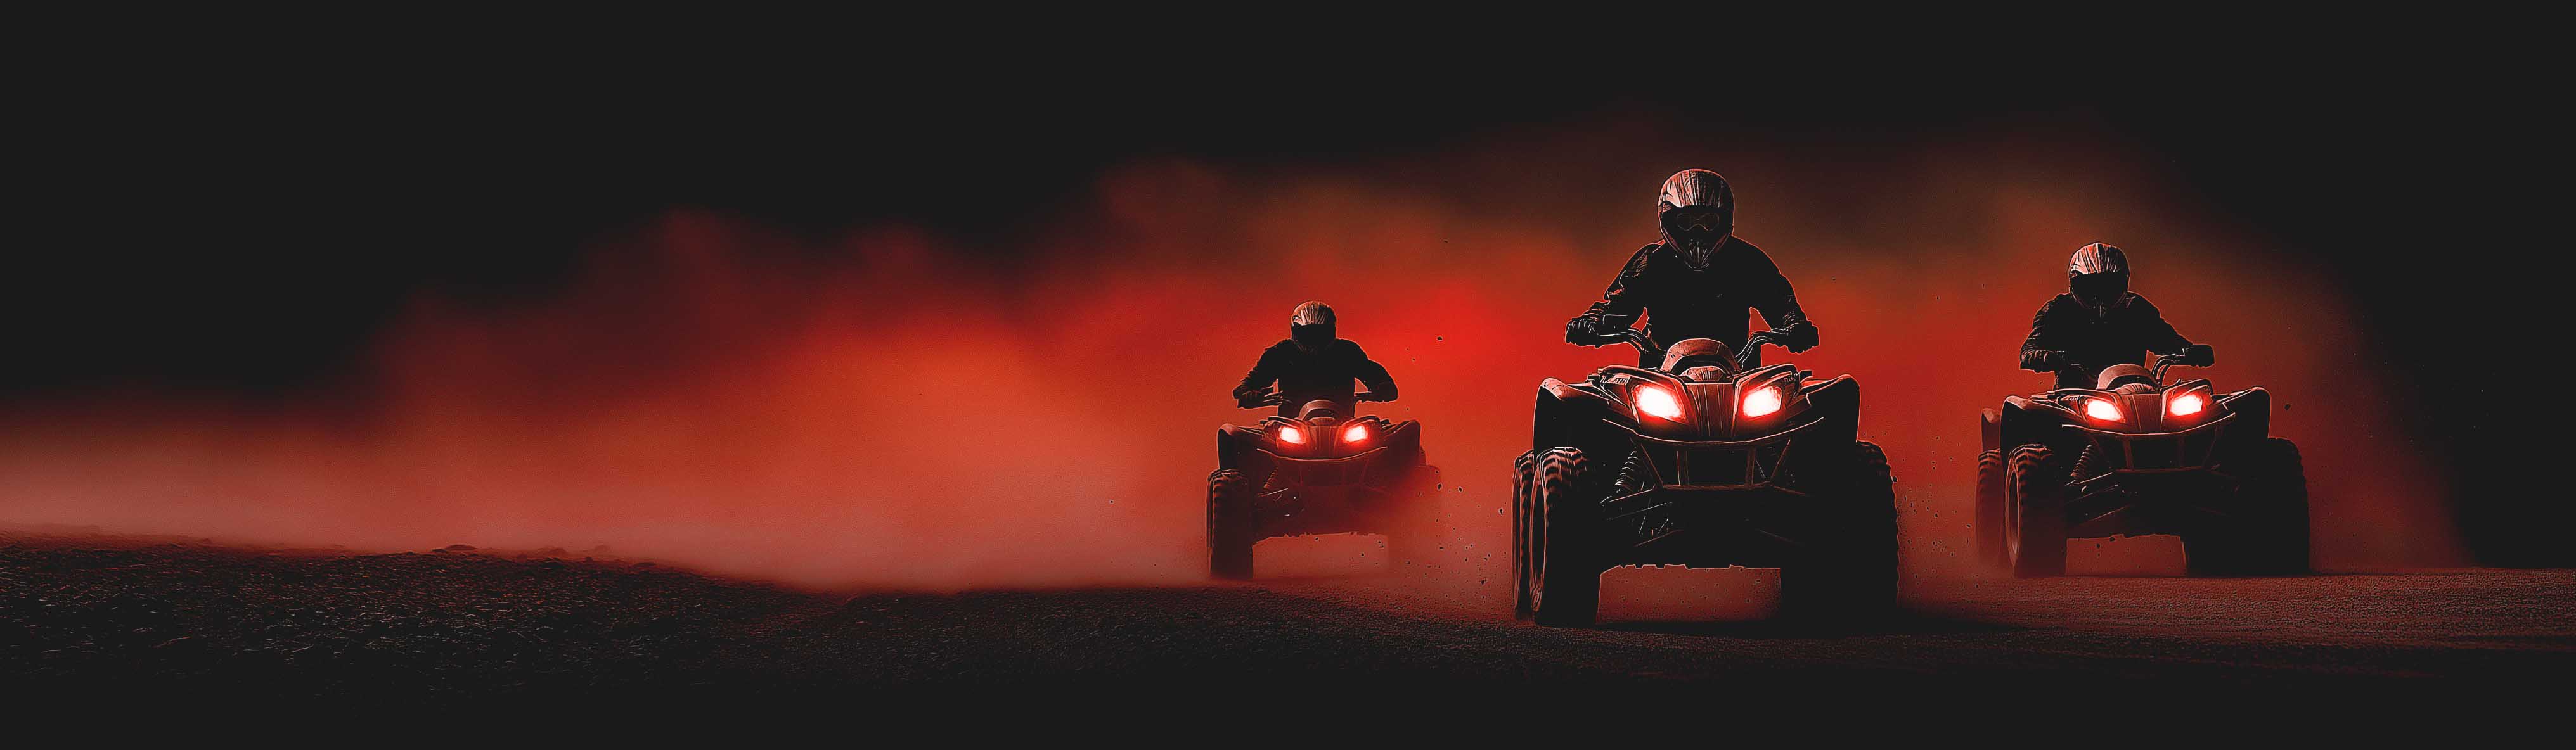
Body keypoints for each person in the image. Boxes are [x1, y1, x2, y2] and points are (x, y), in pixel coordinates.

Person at [1564, 168, 1818, 366]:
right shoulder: (1652, 261)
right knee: (1589, 404)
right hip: (1659, 375)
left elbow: (1779, 302)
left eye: (1708, 221)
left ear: (1724, 220)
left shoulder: (1747, 261)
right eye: (1686, 221)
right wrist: (1592, 322)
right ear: (1670, 222)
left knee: (1819, 397)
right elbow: (1618, 303)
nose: (1698, 232)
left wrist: (1795, 326)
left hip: (1738, 374)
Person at [2018, 242, 2215, 389]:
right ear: (2074, 285)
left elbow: (2167, 340)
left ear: (2124, 283)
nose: (2100, 297)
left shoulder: (2136, 310)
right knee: (2039, 423)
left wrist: (2190, 350)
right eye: (2090, 288)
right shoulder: (2058, 311)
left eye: (2108, 287)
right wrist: (2043, 357)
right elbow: (2029, 349)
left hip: (2134, 392)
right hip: (2074, 396)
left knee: (2196, 413)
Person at [1231, 300, 1398, 417]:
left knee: (1404, 430)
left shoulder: (1347, 351)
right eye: (1308, 335)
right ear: (1295, 332)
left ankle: (1409, 469)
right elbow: (1244, 387)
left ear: (1331, 331)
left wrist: (1383, 387)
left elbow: (1374, 373)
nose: (1314, 341)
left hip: (1343, 425)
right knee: (1233, 435)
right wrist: (1248, 393)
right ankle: (1236, 470)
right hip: (1290, 425)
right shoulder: (1280, 353)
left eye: (1320, 335)